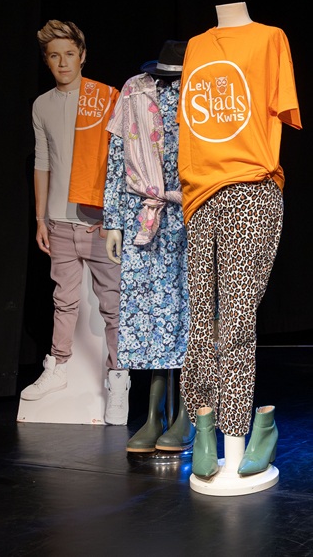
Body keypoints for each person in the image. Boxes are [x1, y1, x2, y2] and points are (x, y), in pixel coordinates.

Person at [177, 2, 302, 494]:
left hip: (251, 187)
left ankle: (244, 432)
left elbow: (279, 113)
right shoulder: (195, 46)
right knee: (200, 320)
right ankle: (203, 423)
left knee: (237, 321)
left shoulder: (271, 38)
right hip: (197, 193)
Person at [24, 19, 129, 426]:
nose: (63, 62)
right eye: (54, 56)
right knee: (63, 299)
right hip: (59, 220)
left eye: (70, 54)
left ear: (82, 56)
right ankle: (59, 367)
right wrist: (40, 217)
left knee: (113, 305)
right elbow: (42, 162)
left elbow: (121, 160)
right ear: (47, 61)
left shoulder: (106, 98)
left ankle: (118, 380)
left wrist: (116, 218)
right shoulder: (41, 105)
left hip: (99, 222)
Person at [103, 40, 193, 455]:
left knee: (191, 310)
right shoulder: (134, 89)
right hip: (146, 216)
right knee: (149, 313)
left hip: (192, 210)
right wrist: (114, 222)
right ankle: (154, 414)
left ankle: (189, 414)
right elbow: (117, 157)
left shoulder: (199, 86)